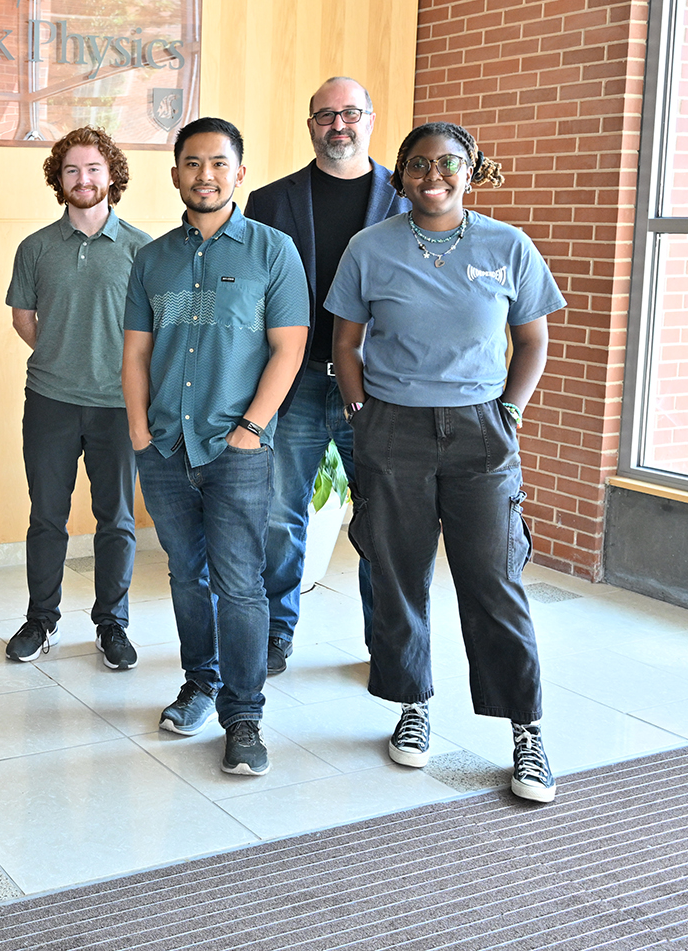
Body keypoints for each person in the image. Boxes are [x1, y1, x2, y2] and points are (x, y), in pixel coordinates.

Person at [326, 120, 565, 803]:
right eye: (419, 166)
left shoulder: (507, 245)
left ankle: (527, 732)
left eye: (449, 164)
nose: (434, 177)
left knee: (494, 583)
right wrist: (360, 413)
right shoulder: (369, 248)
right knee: (399, 578)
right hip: (391, 430)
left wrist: (509, 414)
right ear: (399, 176)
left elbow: (534, 342)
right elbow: (346, 344)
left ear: (472, 170)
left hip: (481, 434)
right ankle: (413, 708)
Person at [123, 117, 309, 776]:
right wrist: (142, 432)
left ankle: (244, 715)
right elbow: (137, 354)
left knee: (239, 582)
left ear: (240, 173)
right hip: (166, 448)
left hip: (239, 450)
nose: (206, 174)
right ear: (175, 174)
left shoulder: (271, 251)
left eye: (219, 163)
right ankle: (199, 682)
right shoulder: (151, 259)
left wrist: (251, 429)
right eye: (192, 163)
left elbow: (290, 349)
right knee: (184, 572)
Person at [249, 77, 408, 673]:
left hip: (377, 383)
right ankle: (275, 634)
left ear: (370, 118)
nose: (337, 125)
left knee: (379, 517)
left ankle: (386, 646)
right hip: (294, 377)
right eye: (325, 115)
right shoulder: (271, 201)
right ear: (309, 123)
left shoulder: (408, 194)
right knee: (278, 514)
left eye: (350, 113)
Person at [4, 126, 152, 668]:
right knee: (47, 515)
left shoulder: (143, 249)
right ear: (58, 179)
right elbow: (24, 317)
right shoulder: (36, 248)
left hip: (119, 404)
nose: (82, 179)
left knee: (116, 518)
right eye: (71, 170)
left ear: (111, 175)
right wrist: (65, 354)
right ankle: (41, 620)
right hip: (50, 400)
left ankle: (112, 624)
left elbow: (156, 332)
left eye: (92, 169)